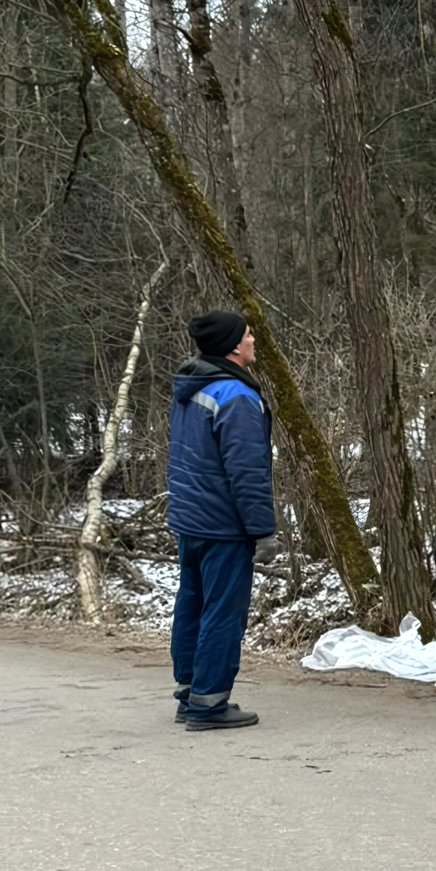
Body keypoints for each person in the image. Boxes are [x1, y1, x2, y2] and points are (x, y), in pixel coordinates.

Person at [167, 310, 276, 731]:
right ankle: (209, 704)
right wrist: (262, 529)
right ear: (233, 346)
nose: (253, 342)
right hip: (223, 525)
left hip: (190, 520)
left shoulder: (190, 388)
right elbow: (247, 472)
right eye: (249, 336)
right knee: (223, 612)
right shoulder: (236, 396)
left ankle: (189, 692)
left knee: (191, 604)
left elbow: (182, 457)